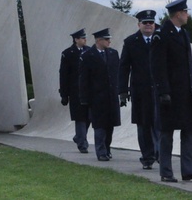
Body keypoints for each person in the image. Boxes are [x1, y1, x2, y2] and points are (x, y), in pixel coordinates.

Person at [151, 0, 192, 183]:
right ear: (178, 14)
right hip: (170, 93)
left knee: (190, 130)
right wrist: (163, 91)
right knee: (167, 133)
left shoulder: (183, 34)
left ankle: (190, 170)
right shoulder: (161, 35)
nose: (188, 15)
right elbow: (157, 66)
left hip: (185, 93)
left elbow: (188, 62)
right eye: (185, 12)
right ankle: (166, 172)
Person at [118, 9, 160, 170]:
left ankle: (161, 154)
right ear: (139, 24)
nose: (148, 25)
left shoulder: (162, 39)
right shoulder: (130, 42)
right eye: (145, 23)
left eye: (151, 23)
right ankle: (147, 157)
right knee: (143, 126)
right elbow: (124, 68)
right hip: (140, 91)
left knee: (160, 124)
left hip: (159, 90)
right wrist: (122, 91)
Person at [79, 28, 121, 161]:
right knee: (99, 126)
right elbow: (83, 79)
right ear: (98, 40)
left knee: (110, 125)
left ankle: (107, 148)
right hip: (96, 97)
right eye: (106, 39)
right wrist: (84, 98)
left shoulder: (113, 54)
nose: (109, 41)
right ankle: (101, 151)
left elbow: (117, 75)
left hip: (111, 96)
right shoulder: (87, 56)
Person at [59, 28, 90, 153]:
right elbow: (64, 75)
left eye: (85, 38)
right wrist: (64, 94)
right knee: (80, 117)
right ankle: (82, 143)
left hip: (88, 90)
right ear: (76, 39)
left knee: (89, 117)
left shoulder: (89, 51)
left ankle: (79, 137)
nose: (84, 40)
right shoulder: (68, 53)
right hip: (75, 91)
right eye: (82, 38)